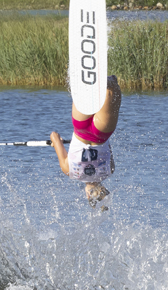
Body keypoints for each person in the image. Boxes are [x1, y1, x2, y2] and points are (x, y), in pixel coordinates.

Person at [50, 74, 121, 204]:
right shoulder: (69, 171)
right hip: (80, 128)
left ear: (103, 189)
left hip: (102, 132)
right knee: (83, 86)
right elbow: (54, 135)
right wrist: (56, 142)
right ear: (88, 195)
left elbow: (107, 147)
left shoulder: (109, 171)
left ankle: (109, 80)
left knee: (112, 88)